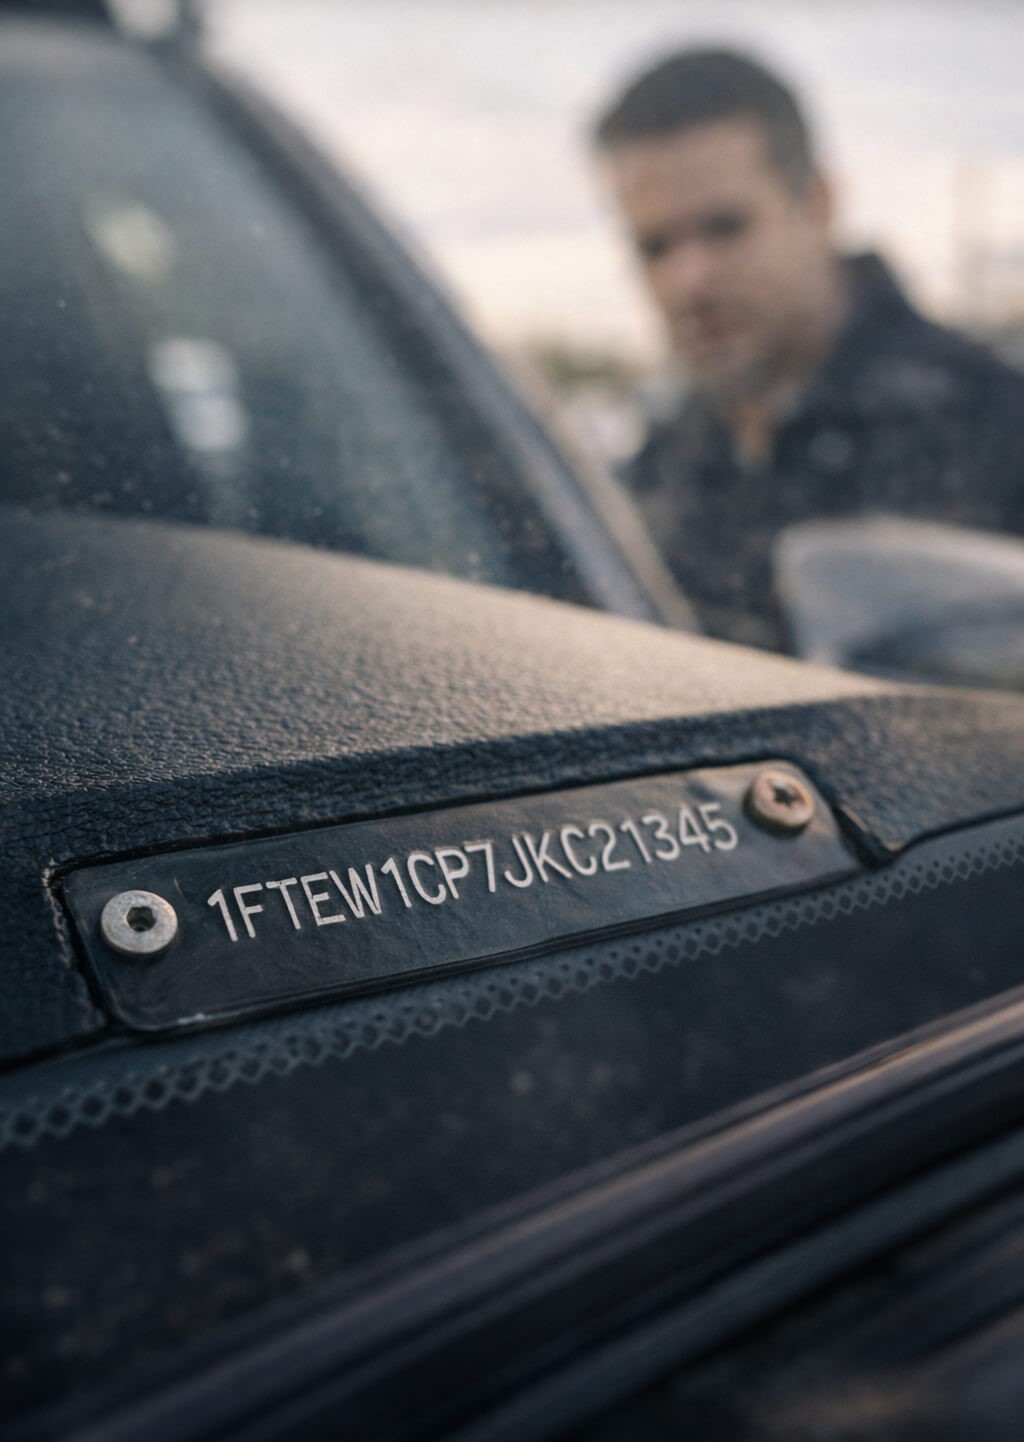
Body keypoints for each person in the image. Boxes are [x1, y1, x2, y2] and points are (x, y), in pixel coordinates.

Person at [593, 48, 1024, 651]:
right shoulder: (657, 467)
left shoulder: (996, 428)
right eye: (654, 247)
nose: (689, 280)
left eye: (725, 228)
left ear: (818, 204)